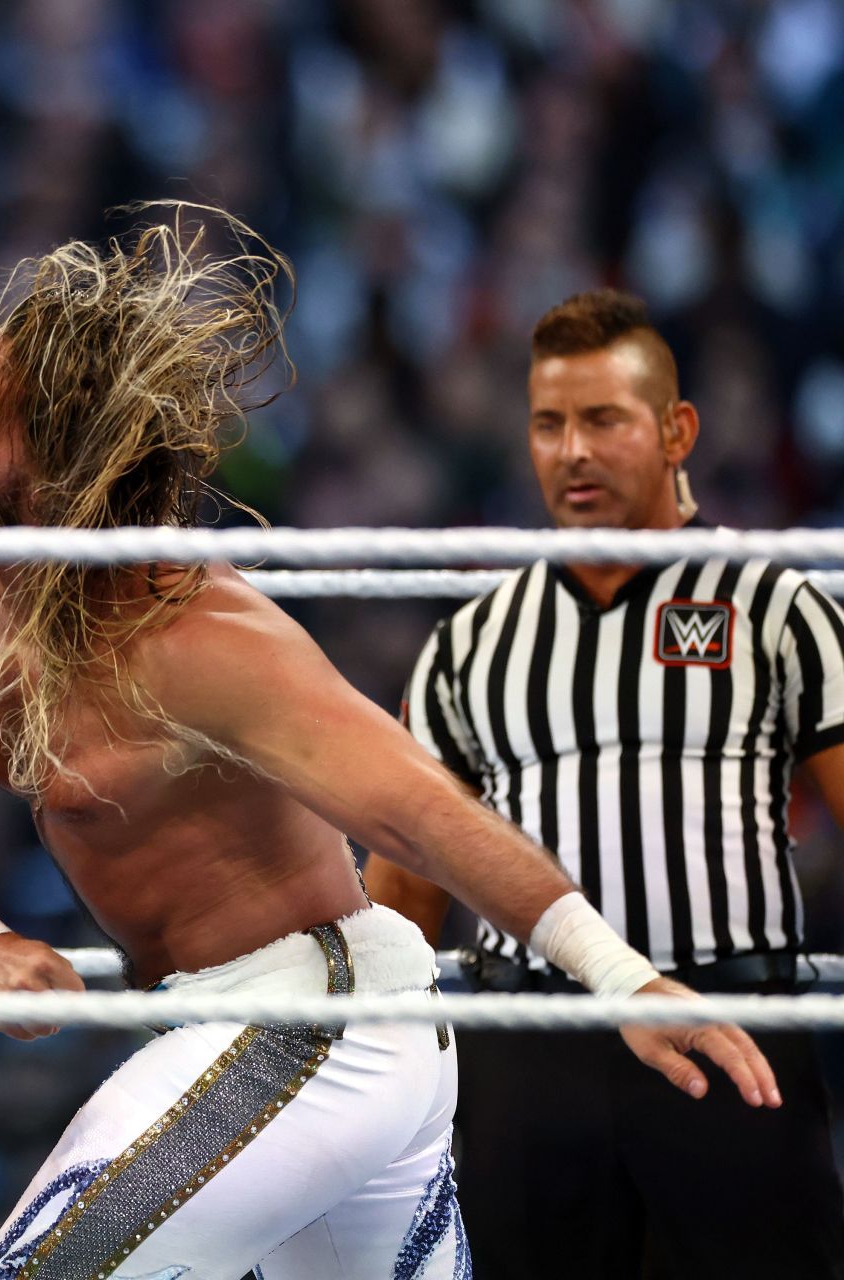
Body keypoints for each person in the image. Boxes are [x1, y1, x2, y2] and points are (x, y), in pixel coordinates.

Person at [0, 206, 780, 1279]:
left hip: (322, 1021)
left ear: (54, 468)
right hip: (235, 1029)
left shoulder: (199, 637)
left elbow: (425, 810)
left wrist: (622, 978)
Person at [364, 288, 844, 1277]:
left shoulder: (777, 605)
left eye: (603, 419)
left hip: (732, 1032)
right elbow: (402, 895)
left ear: (677, 431)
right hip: (530, 1047)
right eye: (550, 423)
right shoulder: (470, 643)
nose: (573, 450)